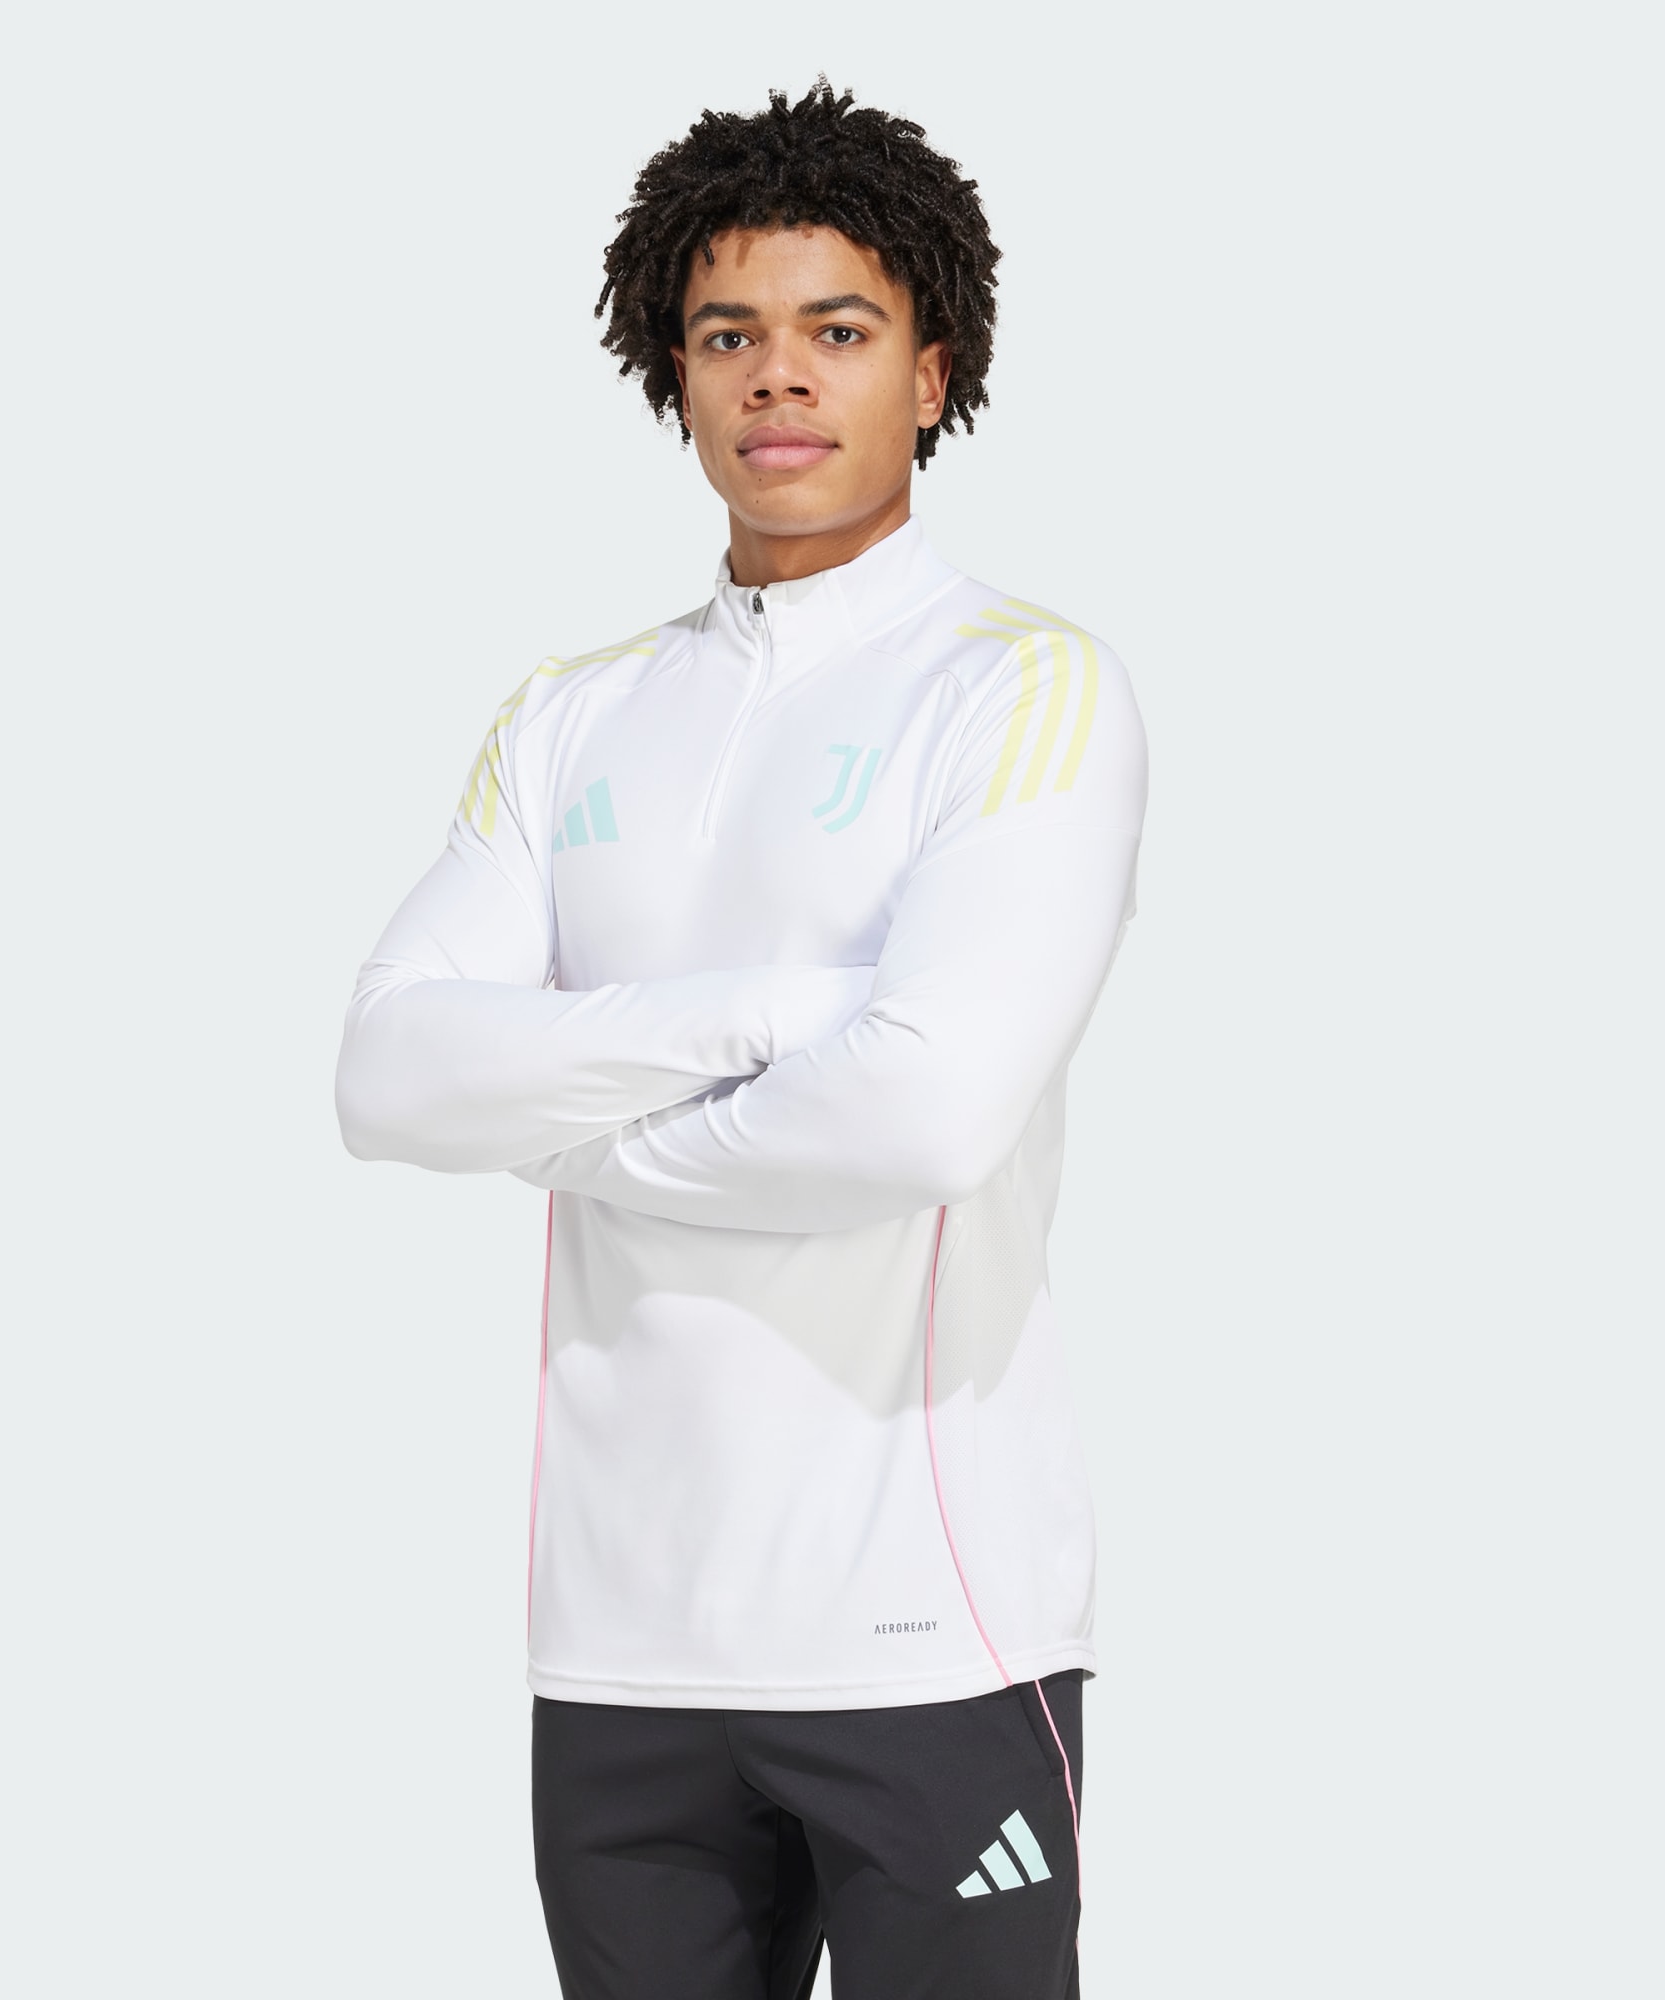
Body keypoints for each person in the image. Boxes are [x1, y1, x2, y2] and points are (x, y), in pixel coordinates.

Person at [336, 80, 1147, 2000]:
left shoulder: (1023, 688)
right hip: (618, 1647)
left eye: (837, 330)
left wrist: (562, 1125)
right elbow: (387, 1076)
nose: (778, 376)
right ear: (675, 373)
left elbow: (926, 1118)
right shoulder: (570, 715)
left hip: (930, 1634)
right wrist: (775, 1020)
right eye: (729, 335)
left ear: (931, 373)